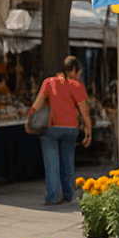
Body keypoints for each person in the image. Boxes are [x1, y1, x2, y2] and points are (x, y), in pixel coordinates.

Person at [26, 56, 91, 205]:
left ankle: (53, 196)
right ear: (73, 70)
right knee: (68, 161)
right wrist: (88, 129)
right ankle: (68, 194)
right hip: (71, 129)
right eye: (78, 72)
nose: (79, 76)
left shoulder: (49, 82)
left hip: (52, 128)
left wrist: (28, 120)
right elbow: (84, 110)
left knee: (51, 163)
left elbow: (37, 103)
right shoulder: (77, 86)